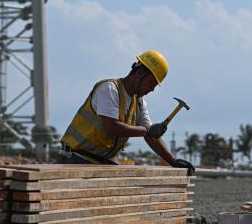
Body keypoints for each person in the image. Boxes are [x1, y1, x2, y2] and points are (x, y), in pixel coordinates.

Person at [59, 50, 195, 174]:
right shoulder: (110, 90)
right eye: (151, 83)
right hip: (75, 158)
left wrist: (172, 160)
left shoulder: (139, 103)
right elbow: (111, 127)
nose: (152, 89)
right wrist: (147, 131)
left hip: (97, 162)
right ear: (140, 73)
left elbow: (150, 135)